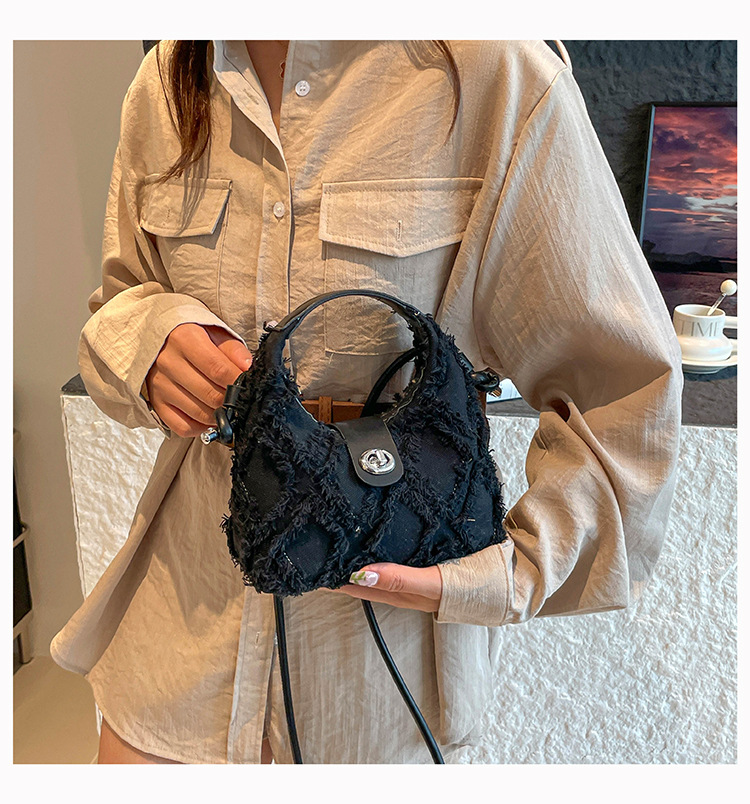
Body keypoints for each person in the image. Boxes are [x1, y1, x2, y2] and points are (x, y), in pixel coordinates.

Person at [51, 40, 683, 764]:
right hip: (177, 638)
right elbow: (120, 298)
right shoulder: (170, 77)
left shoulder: (493, 72)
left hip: (381, 678)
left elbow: (621, 386)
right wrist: (148, 340)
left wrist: (507, 576)